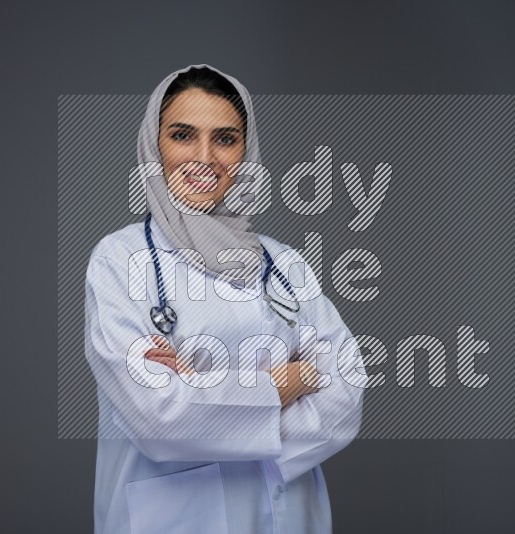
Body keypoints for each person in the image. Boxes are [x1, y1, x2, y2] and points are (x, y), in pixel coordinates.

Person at [83, 64, 367, 534]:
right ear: (155, 146)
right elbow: (159, 420)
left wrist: (205, 393)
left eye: (226, 139)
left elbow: (347, 390)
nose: (204, 157)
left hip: (288, 514)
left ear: (246, 151)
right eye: (182, 135)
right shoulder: (121, 259)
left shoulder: (283, 263)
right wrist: (282, 385)